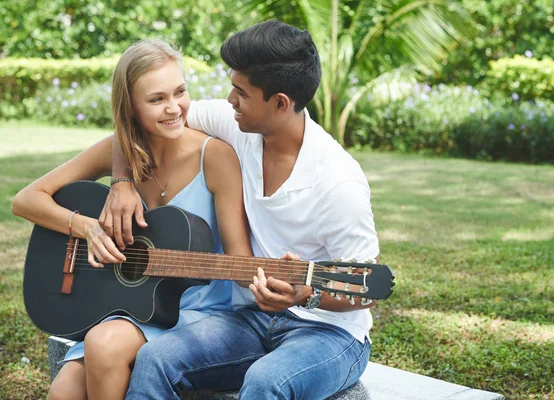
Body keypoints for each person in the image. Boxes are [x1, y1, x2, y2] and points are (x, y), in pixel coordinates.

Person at [104, 21, 380, 399]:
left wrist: (304, 295)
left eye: (241, 92)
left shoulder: (338, 183)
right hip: (251, 320)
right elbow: (137, 120)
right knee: (155, 358)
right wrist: (120, 182)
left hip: (329, 333)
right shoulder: (237, 124)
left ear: (280, 103)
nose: (229, 100)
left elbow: (366, 289)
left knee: (267, 381)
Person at [11, 39, 252, 400]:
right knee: (63, 392)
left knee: (104, 343)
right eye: (156, 100)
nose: (174, 108)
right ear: (131, 108)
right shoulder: (117, 152)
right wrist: (88, 227)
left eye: (180, 92)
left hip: (195, 312)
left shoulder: (215, 157)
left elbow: (241, 260)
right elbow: (25, 199)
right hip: (126, 307)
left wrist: (283, 281)